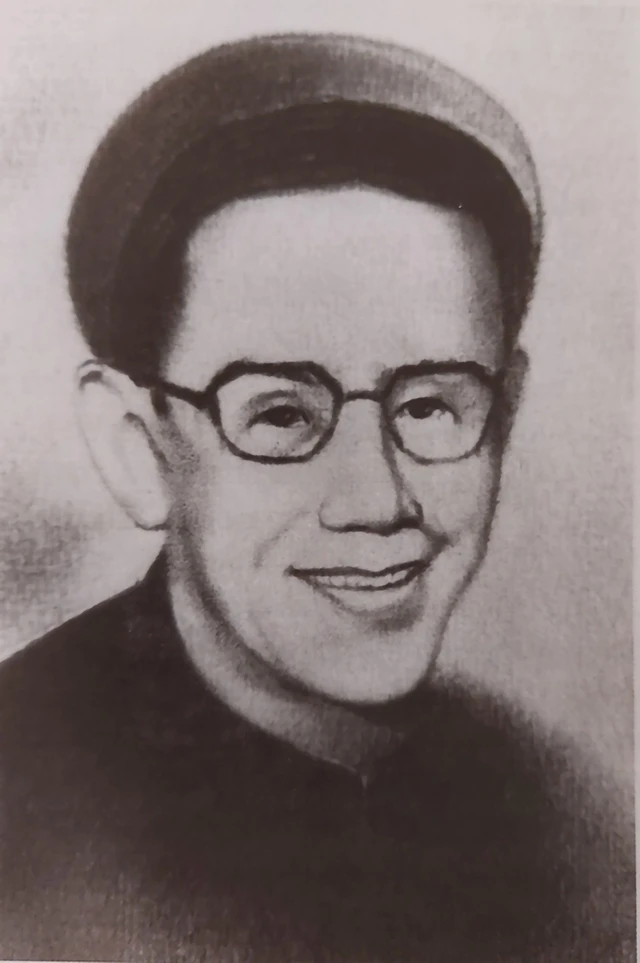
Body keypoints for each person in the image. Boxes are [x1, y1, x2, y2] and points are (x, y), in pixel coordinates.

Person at [0, 32, 633, 963]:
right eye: (282, 414)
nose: (377, 499)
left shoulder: (576, 824)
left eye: (429, 404)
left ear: (504, 414)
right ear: (136, 446)